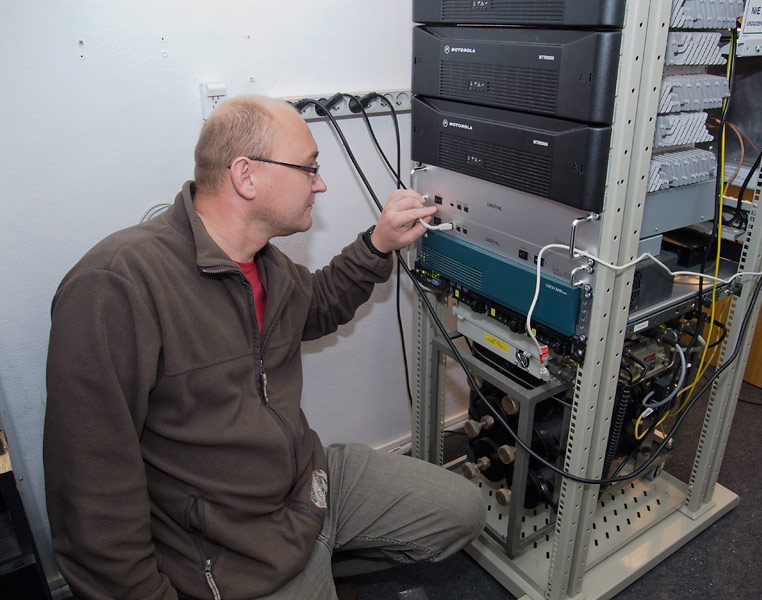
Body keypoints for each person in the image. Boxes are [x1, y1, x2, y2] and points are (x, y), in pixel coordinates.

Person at [43, 95, 486, 600]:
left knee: (461, 512)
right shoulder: (115, 286)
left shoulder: (264, 263)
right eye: (310, 168)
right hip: (228, 542)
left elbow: (315, 305)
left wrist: (378, 243)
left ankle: (318, 562)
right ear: (246, 175)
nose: (320, 183)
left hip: (305, 484)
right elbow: (91, 497)